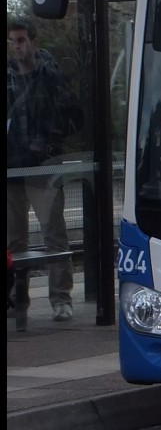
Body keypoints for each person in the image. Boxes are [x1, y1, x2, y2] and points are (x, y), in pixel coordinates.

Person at [7, 17, 83, 322]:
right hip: (12, 168)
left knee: (54, 234)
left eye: (22, 40)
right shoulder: (8, 78)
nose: (16, 46)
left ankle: (61, 298)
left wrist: (50, 141)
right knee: (14, 240)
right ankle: (17, 297)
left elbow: (75, 115)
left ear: (34, 42)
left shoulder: (51, 76)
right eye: (12, 40)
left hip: (43, 167)